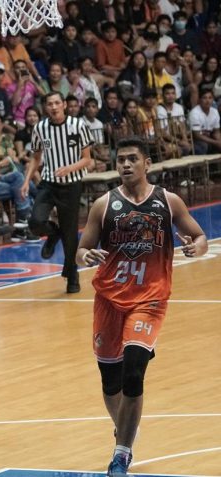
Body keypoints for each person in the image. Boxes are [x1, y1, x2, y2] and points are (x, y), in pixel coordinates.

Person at [75, 137, 207, 477]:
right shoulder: (104, 204)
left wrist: (197, 248)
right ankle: (124, 428)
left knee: (134, 371)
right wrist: (85, 255)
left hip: (149, 299)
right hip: (108, 300)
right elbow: (82, 249)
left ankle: (121, 454)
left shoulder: (169, 201)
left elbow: (199, 235)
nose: (126, 165)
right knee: (110, 381)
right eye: (121, 160)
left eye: (133, 159)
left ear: (147, 163)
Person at [21, 91, 93, 294]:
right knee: (35, 222)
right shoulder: (40, 128)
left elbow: (88, 159)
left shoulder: (78, 125)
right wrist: (26, 181)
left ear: (64, 105)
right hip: (49, 183)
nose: (53, 107)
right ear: (46, 107)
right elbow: (35, 157)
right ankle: (53, 234)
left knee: (71, 237)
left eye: (57, 103)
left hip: (71, 185)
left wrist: (70, 168)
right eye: (49, 104)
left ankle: (72, 275)